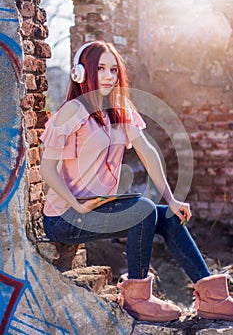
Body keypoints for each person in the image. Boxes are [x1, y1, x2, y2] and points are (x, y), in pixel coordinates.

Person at [40, 40, 233, 322]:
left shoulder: (120, 110)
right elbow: (47, 170)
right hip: (65, 216)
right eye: (101, 69)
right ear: (81, 73)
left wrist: (172, 198)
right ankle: (137, 299)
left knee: (165, 214)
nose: (108, 76)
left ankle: (213, 299)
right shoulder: (71, 113)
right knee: (141, 209)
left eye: (113, 70)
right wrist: (77, 206)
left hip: (98, 206)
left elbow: (147, 151)